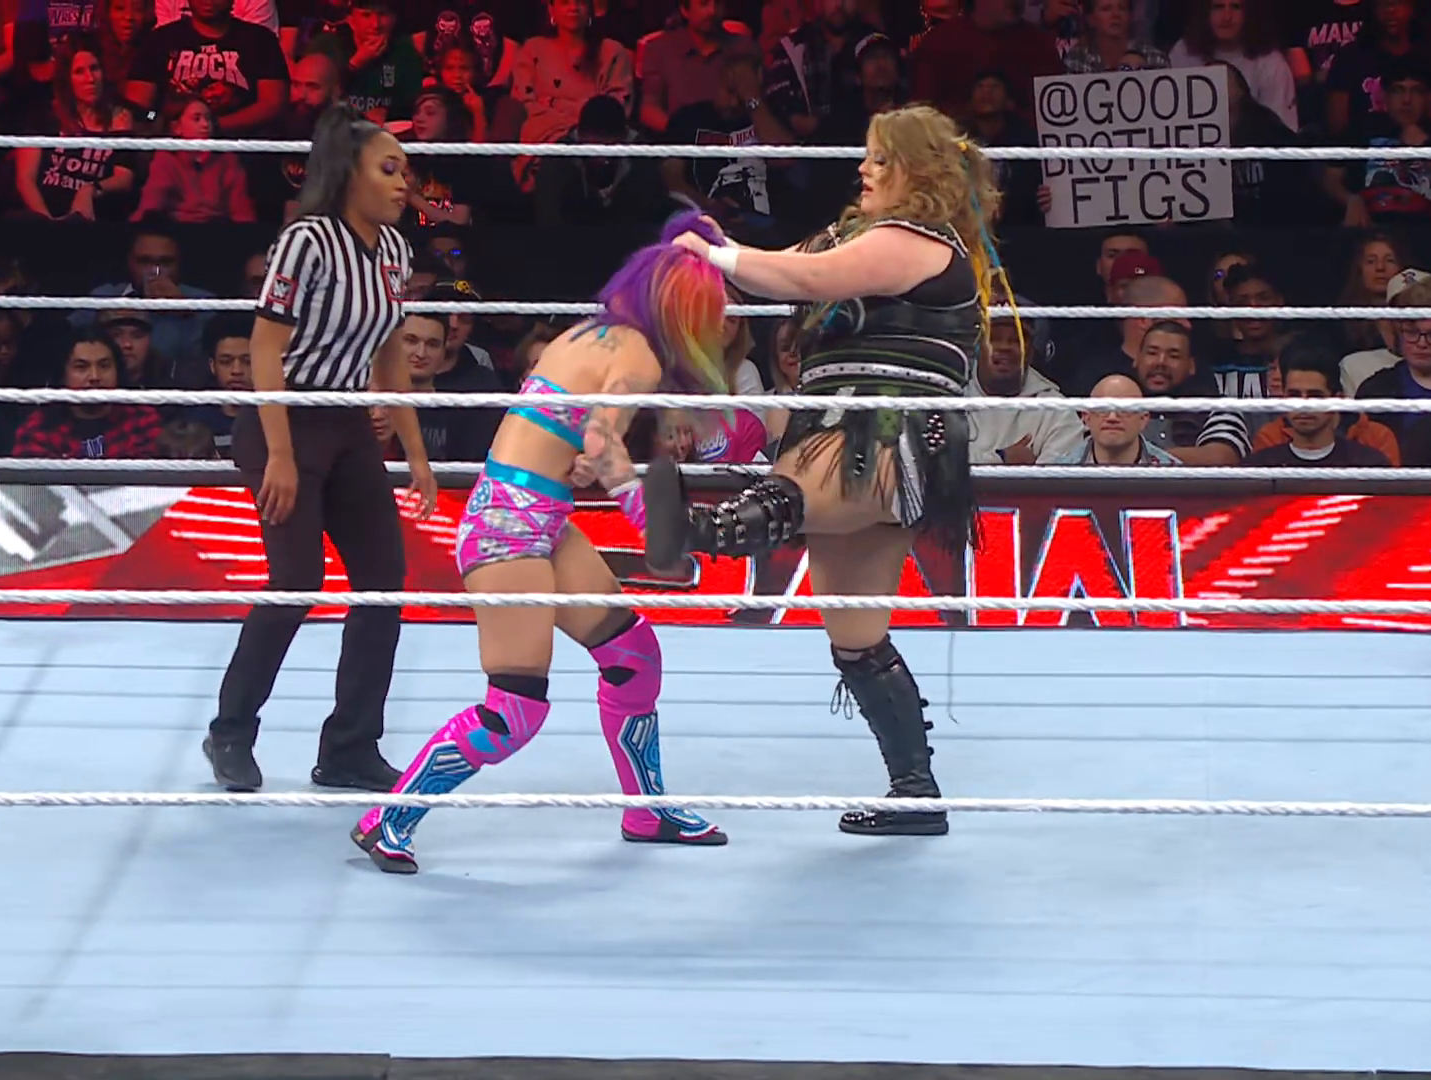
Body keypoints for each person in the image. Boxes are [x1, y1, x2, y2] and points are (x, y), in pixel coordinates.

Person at [648, 104, 1011, 838]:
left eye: (879, 158)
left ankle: (673, 523)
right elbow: (781, 268)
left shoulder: (914, 241)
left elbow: (807, 277)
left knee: (751, 515)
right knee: (855, 634)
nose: (863, 169)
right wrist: (721, 249)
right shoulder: (855, 236)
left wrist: (721, 257)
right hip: (849, 435)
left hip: (886, 439)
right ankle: (916, 793)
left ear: (916, 171)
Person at [351, 213, 736, 875]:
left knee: (632, 655)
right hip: (510, 526)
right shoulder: (638, 353)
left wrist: (583, 462)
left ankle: (647, 808)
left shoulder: (591, 332)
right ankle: (389, 818)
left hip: (538, 514)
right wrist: (652, 522)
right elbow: (603, 443)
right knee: (514, 708)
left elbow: (567, 431)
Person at [203, 102, 436, 794]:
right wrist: (279, 453)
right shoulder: (305, 241)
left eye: (406, 171)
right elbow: (265, 348)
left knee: (383, 586)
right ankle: (230, 732)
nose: (403, 184)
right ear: (349, 173)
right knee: (296, 582)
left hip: (349, 423)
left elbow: (390, 352)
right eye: (389, 169)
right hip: (287, 419)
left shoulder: (395, 251)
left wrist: (416, 453)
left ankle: (350, 748)